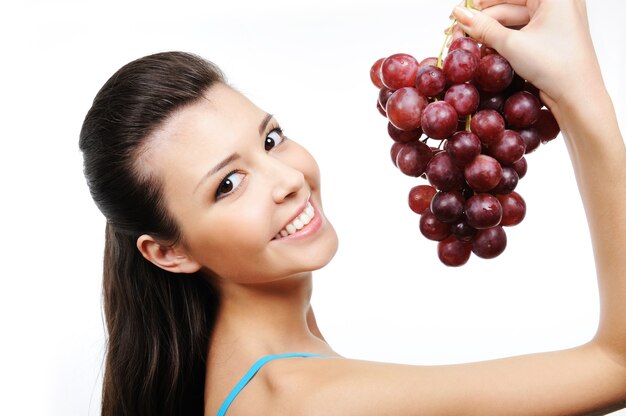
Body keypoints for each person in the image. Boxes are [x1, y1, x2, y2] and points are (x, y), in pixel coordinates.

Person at [79, 0, 626, 414]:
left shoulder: (256, 379)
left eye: (270, 141)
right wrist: (578, 84)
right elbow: (619, 365)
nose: (288, 179)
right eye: (228, 184)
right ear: (168, 252)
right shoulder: (303, 399)